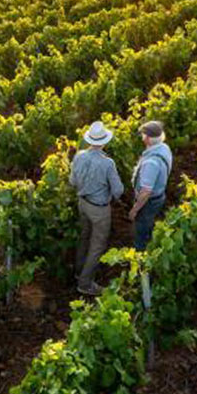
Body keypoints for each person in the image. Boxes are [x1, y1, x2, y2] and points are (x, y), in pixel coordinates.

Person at [69, 121, 124, 295]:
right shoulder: (108, 163)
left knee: (84, 237)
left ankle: (79, 272)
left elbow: (72, 181)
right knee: (97, 246)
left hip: (82, 204)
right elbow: (118, 191)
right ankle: (85, 284)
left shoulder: (79, 156)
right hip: (99, 209)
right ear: (104, 141)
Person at [129, 120, 173, 250]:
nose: (142, 137)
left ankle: (140, 254)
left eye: (143, 135)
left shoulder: (151, 163)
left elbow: (146, 192)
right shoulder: (164, 148)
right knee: (148, 223)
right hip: (159, 196)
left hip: (148, 202)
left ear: (147, 139)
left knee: (141, 231)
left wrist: (135, 210)